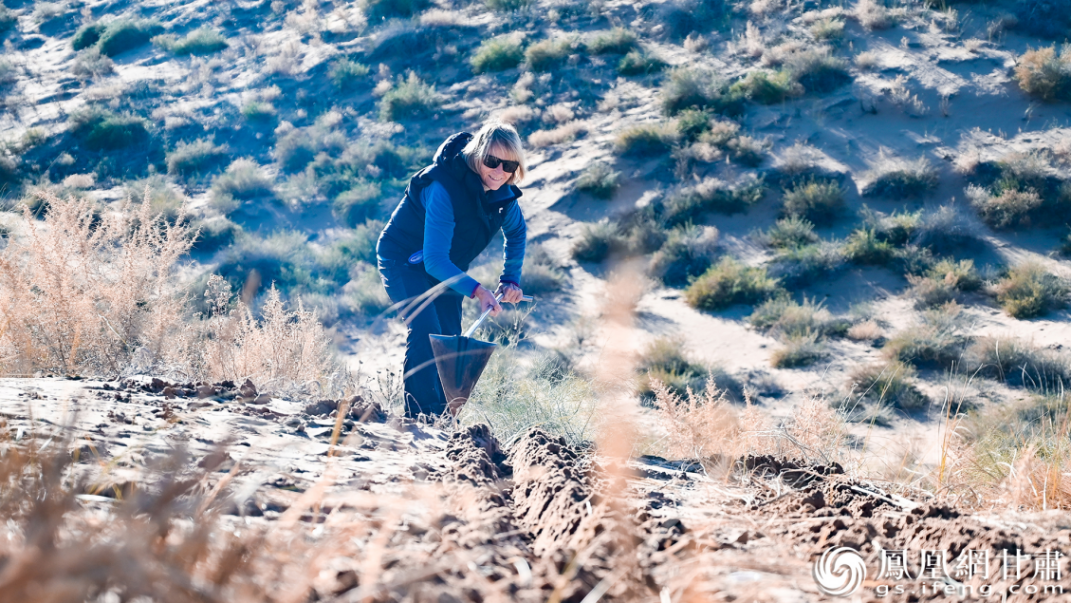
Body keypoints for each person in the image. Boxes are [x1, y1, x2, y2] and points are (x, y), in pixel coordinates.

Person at [376, 120, 527, 418]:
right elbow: (433, 260)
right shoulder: (443, 187)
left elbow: (517, 233)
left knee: (448, 336)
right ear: (477, 155)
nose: (499, 171)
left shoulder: (503, 196)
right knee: (427, 329)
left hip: (446, 266)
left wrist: (511, 278)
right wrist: (478, 290)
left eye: (508, 165)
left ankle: (442, 418)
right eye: (492, 161)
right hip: (403, 260)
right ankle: (418, 418)